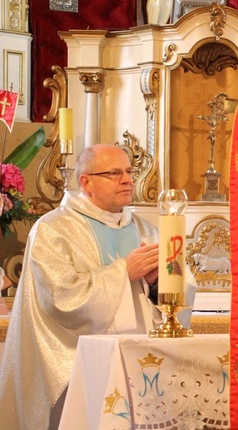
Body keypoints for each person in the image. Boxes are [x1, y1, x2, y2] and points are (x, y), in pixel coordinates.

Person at [0, 144, 195, 429]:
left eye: (129, 171)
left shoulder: (147, 230)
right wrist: (123, 271)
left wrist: (155, 285)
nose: (127, 179)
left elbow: (182, 286)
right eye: (114, 173)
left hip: (142, 368)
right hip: (80, 371)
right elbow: (60, 298)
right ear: (86, 182)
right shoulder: (53, 230)